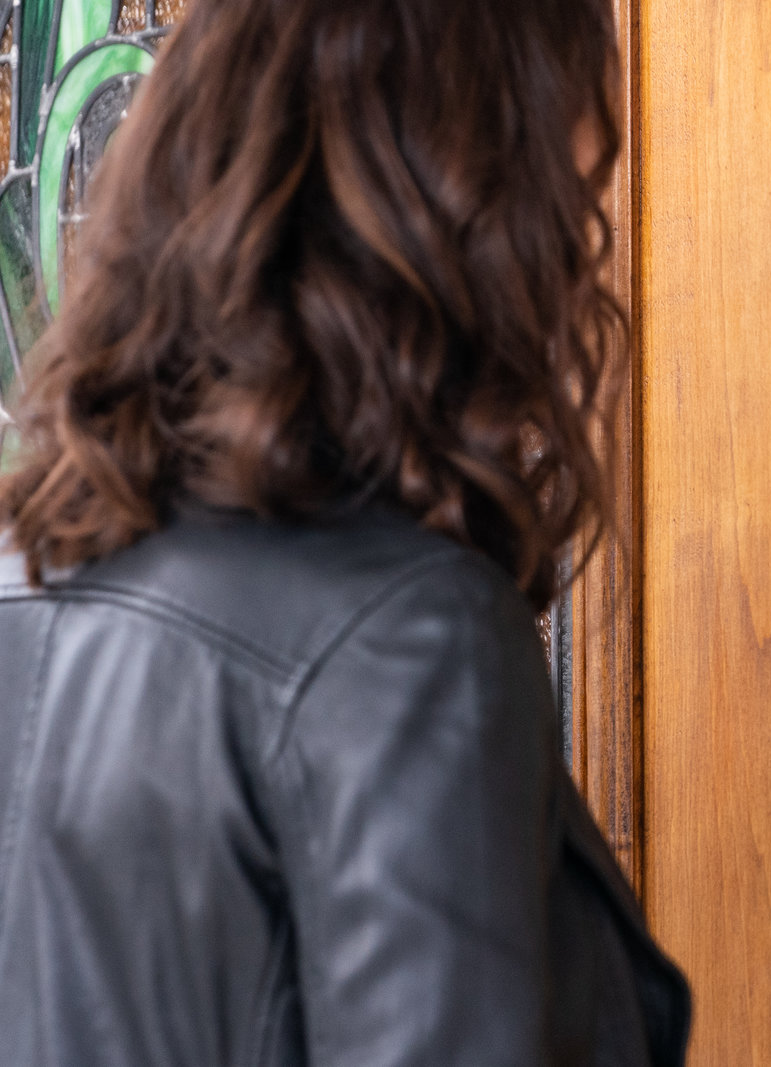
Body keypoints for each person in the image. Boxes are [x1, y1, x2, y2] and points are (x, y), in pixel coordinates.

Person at [0, 1, 690, 1064]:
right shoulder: (407, 642)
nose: (581, 279)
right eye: (573, 208)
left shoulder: (28, 574)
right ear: (474, 217)